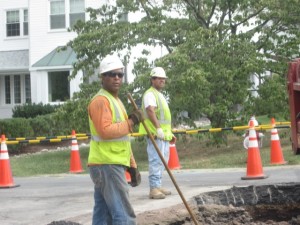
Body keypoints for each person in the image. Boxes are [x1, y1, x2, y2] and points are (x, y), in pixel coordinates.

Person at [87, 54, 142, 225]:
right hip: (107, 164)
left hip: (109, 164)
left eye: (120, 74)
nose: (117, 78)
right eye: (112, 74)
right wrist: (132, 121)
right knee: (124, 215)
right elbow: (105, 131)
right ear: (103, 77)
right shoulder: (101, 101)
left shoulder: (115, 100)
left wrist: (132, 165)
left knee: (103, 216)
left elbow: (122, 138)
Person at [139, 67, 176, 199]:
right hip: (155, 134)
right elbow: (150, 111)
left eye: (163, 79)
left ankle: (158, 185)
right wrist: (158, 128)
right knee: (156, 160)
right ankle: (154, 188)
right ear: (152, 80)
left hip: (163, 134)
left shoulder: (159, 94)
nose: (162, 80)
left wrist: (169, 133)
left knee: (162, 161)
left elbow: (164, 117)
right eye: (159, 78)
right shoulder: (150, 94)